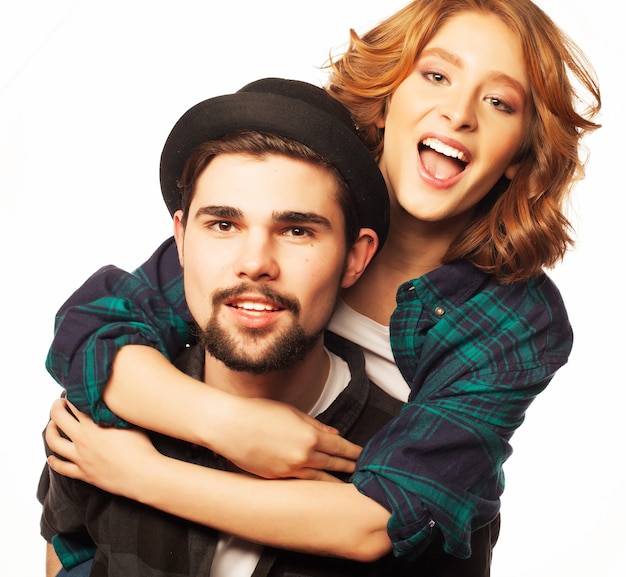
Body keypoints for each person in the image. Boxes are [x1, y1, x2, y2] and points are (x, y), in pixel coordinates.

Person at [43, 0, 601, 571]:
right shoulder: (295, 193)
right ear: (388, 98)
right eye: (436, 75)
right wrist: (229, 427)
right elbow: (92, 330)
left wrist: (141, 474)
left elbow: (377, 523)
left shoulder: (513, 319)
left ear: (519, 155)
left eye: (499, 102)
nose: (460, 113)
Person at [40, 77, 405, 576]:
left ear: (354, 258)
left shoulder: (413, 469)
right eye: (223, 225)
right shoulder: (103, 422)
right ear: (182, 239)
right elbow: (68, 555)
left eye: (296, 230)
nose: (254, 263)